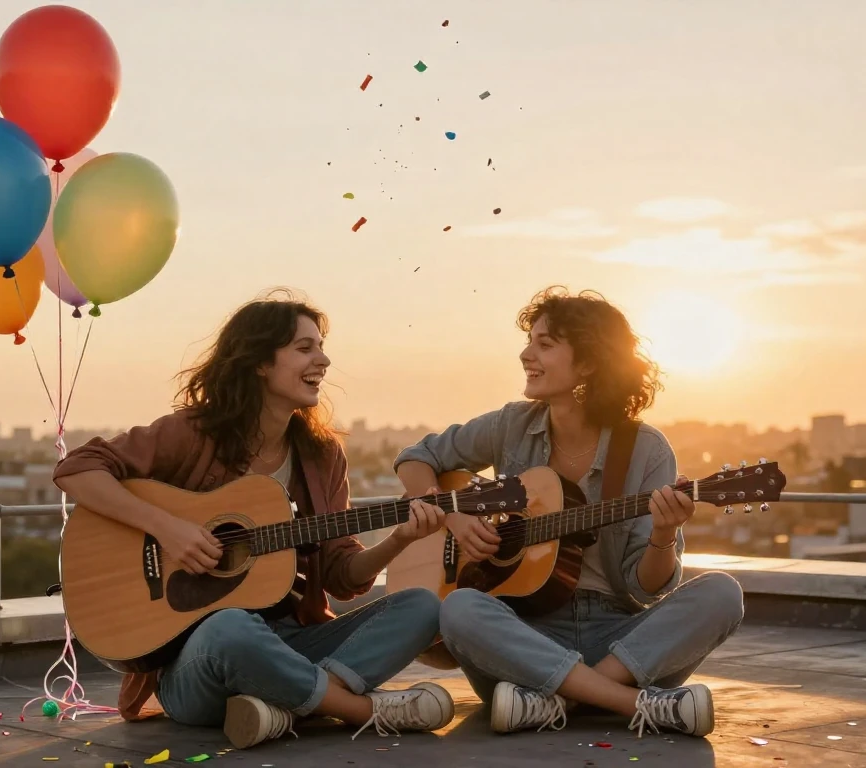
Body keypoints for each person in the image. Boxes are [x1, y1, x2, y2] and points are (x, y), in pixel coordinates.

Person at [55, 291, 454, 749]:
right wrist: (169, 528)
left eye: (321, 347)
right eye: (305, 348)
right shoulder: (192, 433)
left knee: (423, 606)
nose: (323, 360)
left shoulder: (321, 457)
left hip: (291, 641)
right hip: (200, 665)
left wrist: (399, 538)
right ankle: (361, 710)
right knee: (230, 626)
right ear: (261, 362)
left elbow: (343, 577)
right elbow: (78, 468)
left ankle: (278, 705)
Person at [394, 286, 744, 739]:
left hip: (617, 637)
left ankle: (554, 699)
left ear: (589, 362)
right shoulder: (510, 426)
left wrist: (662, 534)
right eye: (530, 341)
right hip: (524, 635)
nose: (525, 354)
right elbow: (416, 456)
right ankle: (633, 703)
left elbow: (648, 586)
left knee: (722, 593)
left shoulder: (644, 449)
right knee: (460, 607)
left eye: (544, 344)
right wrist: (454, 516)